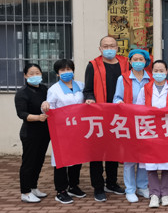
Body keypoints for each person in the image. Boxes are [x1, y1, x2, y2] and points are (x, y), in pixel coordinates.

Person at [84, 36, 129, 202]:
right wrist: (90, 99)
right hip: (99, 115)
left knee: (114, 151)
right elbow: (88, 90)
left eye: (112, 46)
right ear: (100, 48)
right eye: (105, 46)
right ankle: (98, 186)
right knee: (97, 152)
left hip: (118, 115)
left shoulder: (125, 64)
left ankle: (111, 182)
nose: (109, 49)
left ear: (117, 48)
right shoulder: (93, 65)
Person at [136, 60, 168, 208]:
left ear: (166, 72)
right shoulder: (145, 89)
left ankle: (165, 193)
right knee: (151, 164)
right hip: (150, 129)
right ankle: (154, 194)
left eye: (161, 70)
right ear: (152, 72)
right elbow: (138, 108)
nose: (158, 73)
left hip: (167, 129)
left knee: (167, 164)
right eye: (156, 70)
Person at [41, 59, 85, 204]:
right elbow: (49, 109)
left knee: (77, 158)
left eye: (69, 69)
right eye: (62, 70)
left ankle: (73, 186)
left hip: (79, 128)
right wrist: (45, 106)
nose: (66, 72)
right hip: (62, 130)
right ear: (57, 73)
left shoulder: (81, 86)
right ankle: (61, 190)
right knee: (61, 160)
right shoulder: (54, 90)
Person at [113, 49, 151, 203]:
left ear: (146, 61)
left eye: (141, 59)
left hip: (146, 122)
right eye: (135, 59)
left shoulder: (151, 78)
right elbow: (116, 97)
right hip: (128, 121)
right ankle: (130, 189)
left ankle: (142, 186)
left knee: (144, 156)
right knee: (129, 157)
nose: (138, 62)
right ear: (129, 61)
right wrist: (119, 103)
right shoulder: (122, 78)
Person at [14, 63, 49, 203]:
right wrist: (37, 118)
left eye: (37, 73)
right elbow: (21, 113)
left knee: (39, 161)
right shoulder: (22, 93)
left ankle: (33, 187)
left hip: (44, 132)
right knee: (29, 162)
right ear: (25, 75)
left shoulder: (44, 89)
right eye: (31, 73)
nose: (35, 76)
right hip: (30, 133)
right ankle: (25, 192)